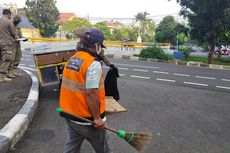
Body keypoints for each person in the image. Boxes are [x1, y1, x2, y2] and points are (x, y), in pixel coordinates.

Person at [59, 28, 112, 153]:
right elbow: (91, 93)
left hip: (70, 115)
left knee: (71, 148)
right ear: (97, 45)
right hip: (87, 119)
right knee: (104, 149)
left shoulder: (73, 59)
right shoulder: (93, 64)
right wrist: (97, 118)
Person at [0, 9, 16, 83]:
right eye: (10, 15)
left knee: (1, 59)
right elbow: (13, 33)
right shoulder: (8, 22)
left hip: (0, 43)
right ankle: (1, 76)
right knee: (7, 59)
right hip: (6, 43)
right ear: (8, 14)